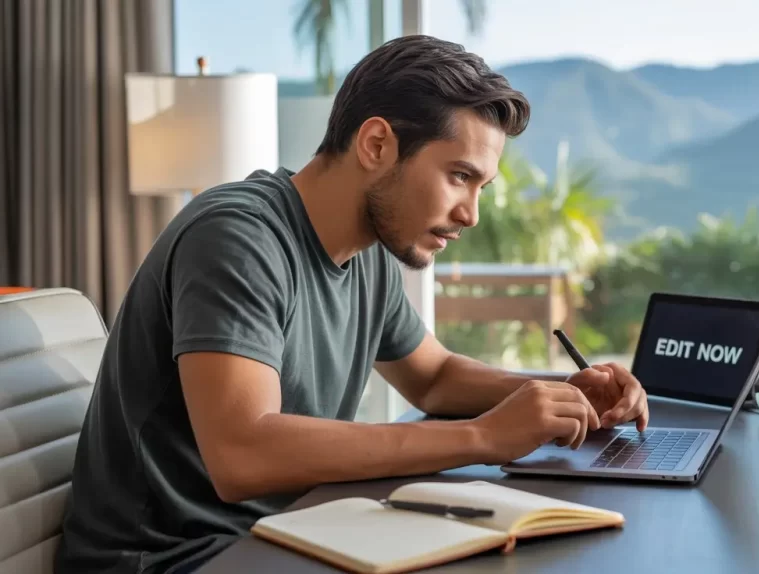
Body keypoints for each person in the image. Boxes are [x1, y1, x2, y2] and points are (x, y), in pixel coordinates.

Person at [55, 34, 649, 574]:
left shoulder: (364, 253)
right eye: (458, 176)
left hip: (281, 534)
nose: (470, 213)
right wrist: (485, 438)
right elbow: (242, 454)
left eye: (480, 188)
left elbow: (435, 378)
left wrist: (562, 395)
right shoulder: (237, 237)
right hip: (171, 559)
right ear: (376, 144)